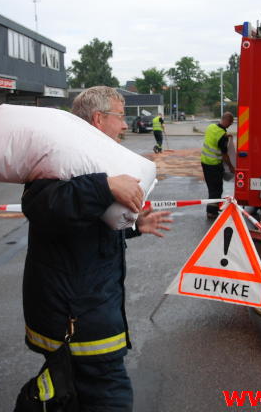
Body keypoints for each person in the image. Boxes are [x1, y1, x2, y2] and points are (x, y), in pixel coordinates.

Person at [18, 86, 173, 411]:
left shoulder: (92, 160)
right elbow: (45, 205)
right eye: (120, 116)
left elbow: (84, 229)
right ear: (99, 118)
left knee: (70, 393)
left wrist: (134, 226)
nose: (126, 125)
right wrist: (104, 186)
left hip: (82, 319)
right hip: (81, 325)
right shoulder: (61, 159)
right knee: (109, 399)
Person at [201, 112, 236, 220]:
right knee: (216, 190)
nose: (230, 125)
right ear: (227, 120)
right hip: (214, 165)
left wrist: (226, 135)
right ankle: (212, 213)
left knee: (211, 188)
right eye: (230, 122)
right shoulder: (222, 136)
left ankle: (212, 210)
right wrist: (231, 166)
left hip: (205, 162)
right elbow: (224, 155)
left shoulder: (211, 127)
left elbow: (216, 136)